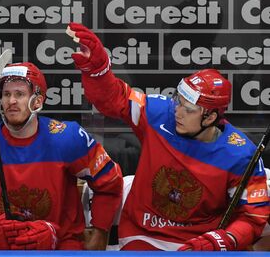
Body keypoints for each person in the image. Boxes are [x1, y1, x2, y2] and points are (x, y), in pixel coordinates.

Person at [66, 22, 270, 251]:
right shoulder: (158, 113)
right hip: (144, 235)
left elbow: (253, 217)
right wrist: (98, 70)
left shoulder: (241, 154)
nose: (177, 112)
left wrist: (221, 241)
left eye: (188, 109)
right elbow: (112, 99)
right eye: (178, 102)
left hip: (201, 242)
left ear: (211, 117)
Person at [0, 62, 123, 250]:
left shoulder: (68, 138)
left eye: (19, 94)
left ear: (38, 100)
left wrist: (100, 230)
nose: (11, 101)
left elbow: (110, 182)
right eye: (6, 94)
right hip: (0, 249)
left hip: (60, 247)